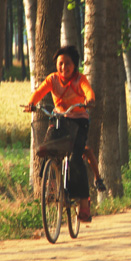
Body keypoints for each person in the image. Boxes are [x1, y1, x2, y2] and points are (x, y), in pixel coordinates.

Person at [24, 46, 97, 222]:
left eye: (68, 64)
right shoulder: (52, 79)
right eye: (60, 64)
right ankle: (50, 186)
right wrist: (31, 104)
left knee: (75, 159)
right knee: (46, 149)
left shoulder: (80, 80)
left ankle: (83, 204)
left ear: (75, 65)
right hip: (60, 119)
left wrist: (90, 100)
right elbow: (39, 92)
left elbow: (89, 92)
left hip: (79, 120)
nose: (64, 67)